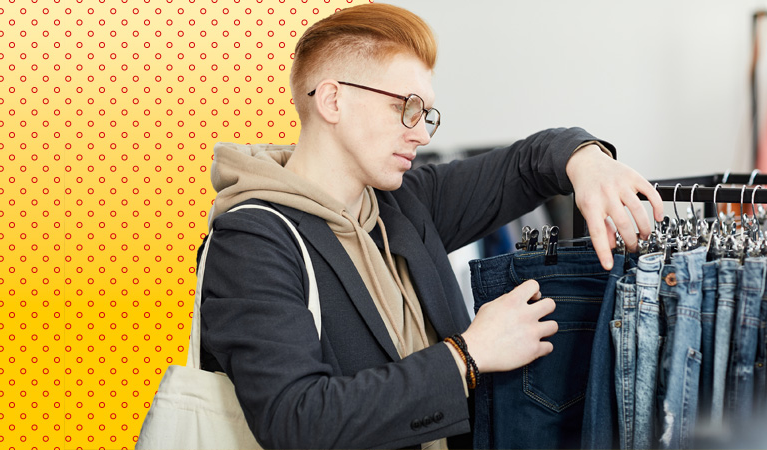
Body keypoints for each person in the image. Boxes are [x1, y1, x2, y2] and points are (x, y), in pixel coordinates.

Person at [199, 3, 664, 448]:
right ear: (333, 99)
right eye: (407, 106)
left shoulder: (404, 204)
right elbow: (296, 420)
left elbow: (526, 165)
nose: (421, 133)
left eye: (427, 115)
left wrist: (587, 160)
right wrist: (466, 356)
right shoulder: (252, 240)